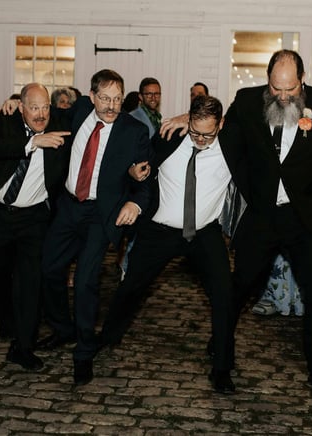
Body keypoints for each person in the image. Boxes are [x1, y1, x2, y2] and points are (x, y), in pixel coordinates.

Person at [162, 49, 312, 396]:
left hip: (305, 218)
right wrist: (187, 118)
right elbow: (220, 126)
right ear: (268, 81)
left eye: (290, 90)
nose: (283, 96)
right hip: (263, 216)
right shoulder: (248, 100)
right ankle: (220, 346)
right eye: (276, 89)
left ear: (303, 80)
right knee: (239, 287)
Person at [100, 95, 237, 393]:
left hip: (204, 234)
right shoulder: (170, 138)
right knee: (130, 287)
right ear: (188, 121)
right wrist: (133, 172)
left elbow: (251, 116)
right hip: (159, 231)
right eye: (195, 132)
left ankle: (222, 368)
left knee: (224, 297)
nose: (200, 140)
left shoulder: (232, 145)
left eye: (208, 135)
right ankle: (107, 337)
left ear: (220, 126)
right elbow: (139, 164)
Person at [38, 69, 151, 386]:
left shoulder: (134, 130)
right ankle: (63, 329)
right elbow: (40, 114)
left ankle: (84, 352)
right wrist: (13, 105)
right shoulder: (78, 111)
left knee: (86, 280)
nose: (112, 106)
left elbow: (146, 175)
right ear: (91, 96)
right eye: (105, 98)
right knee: (49, 269)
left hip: (102, 214)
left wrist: (135, 203)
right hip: (68, 206)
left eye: (117, 99)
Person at [0, 83, 71, 370]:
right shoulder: (7, 120)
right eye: (34, 107)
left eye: (45, 107)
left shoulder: (61, 125)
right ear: (21, 107)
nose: (41, 114)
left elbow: (92, 104)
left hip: (33, 220)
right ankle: (7, 322)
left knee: (29, 283)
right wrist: (34, 142)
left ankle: (23, 346)